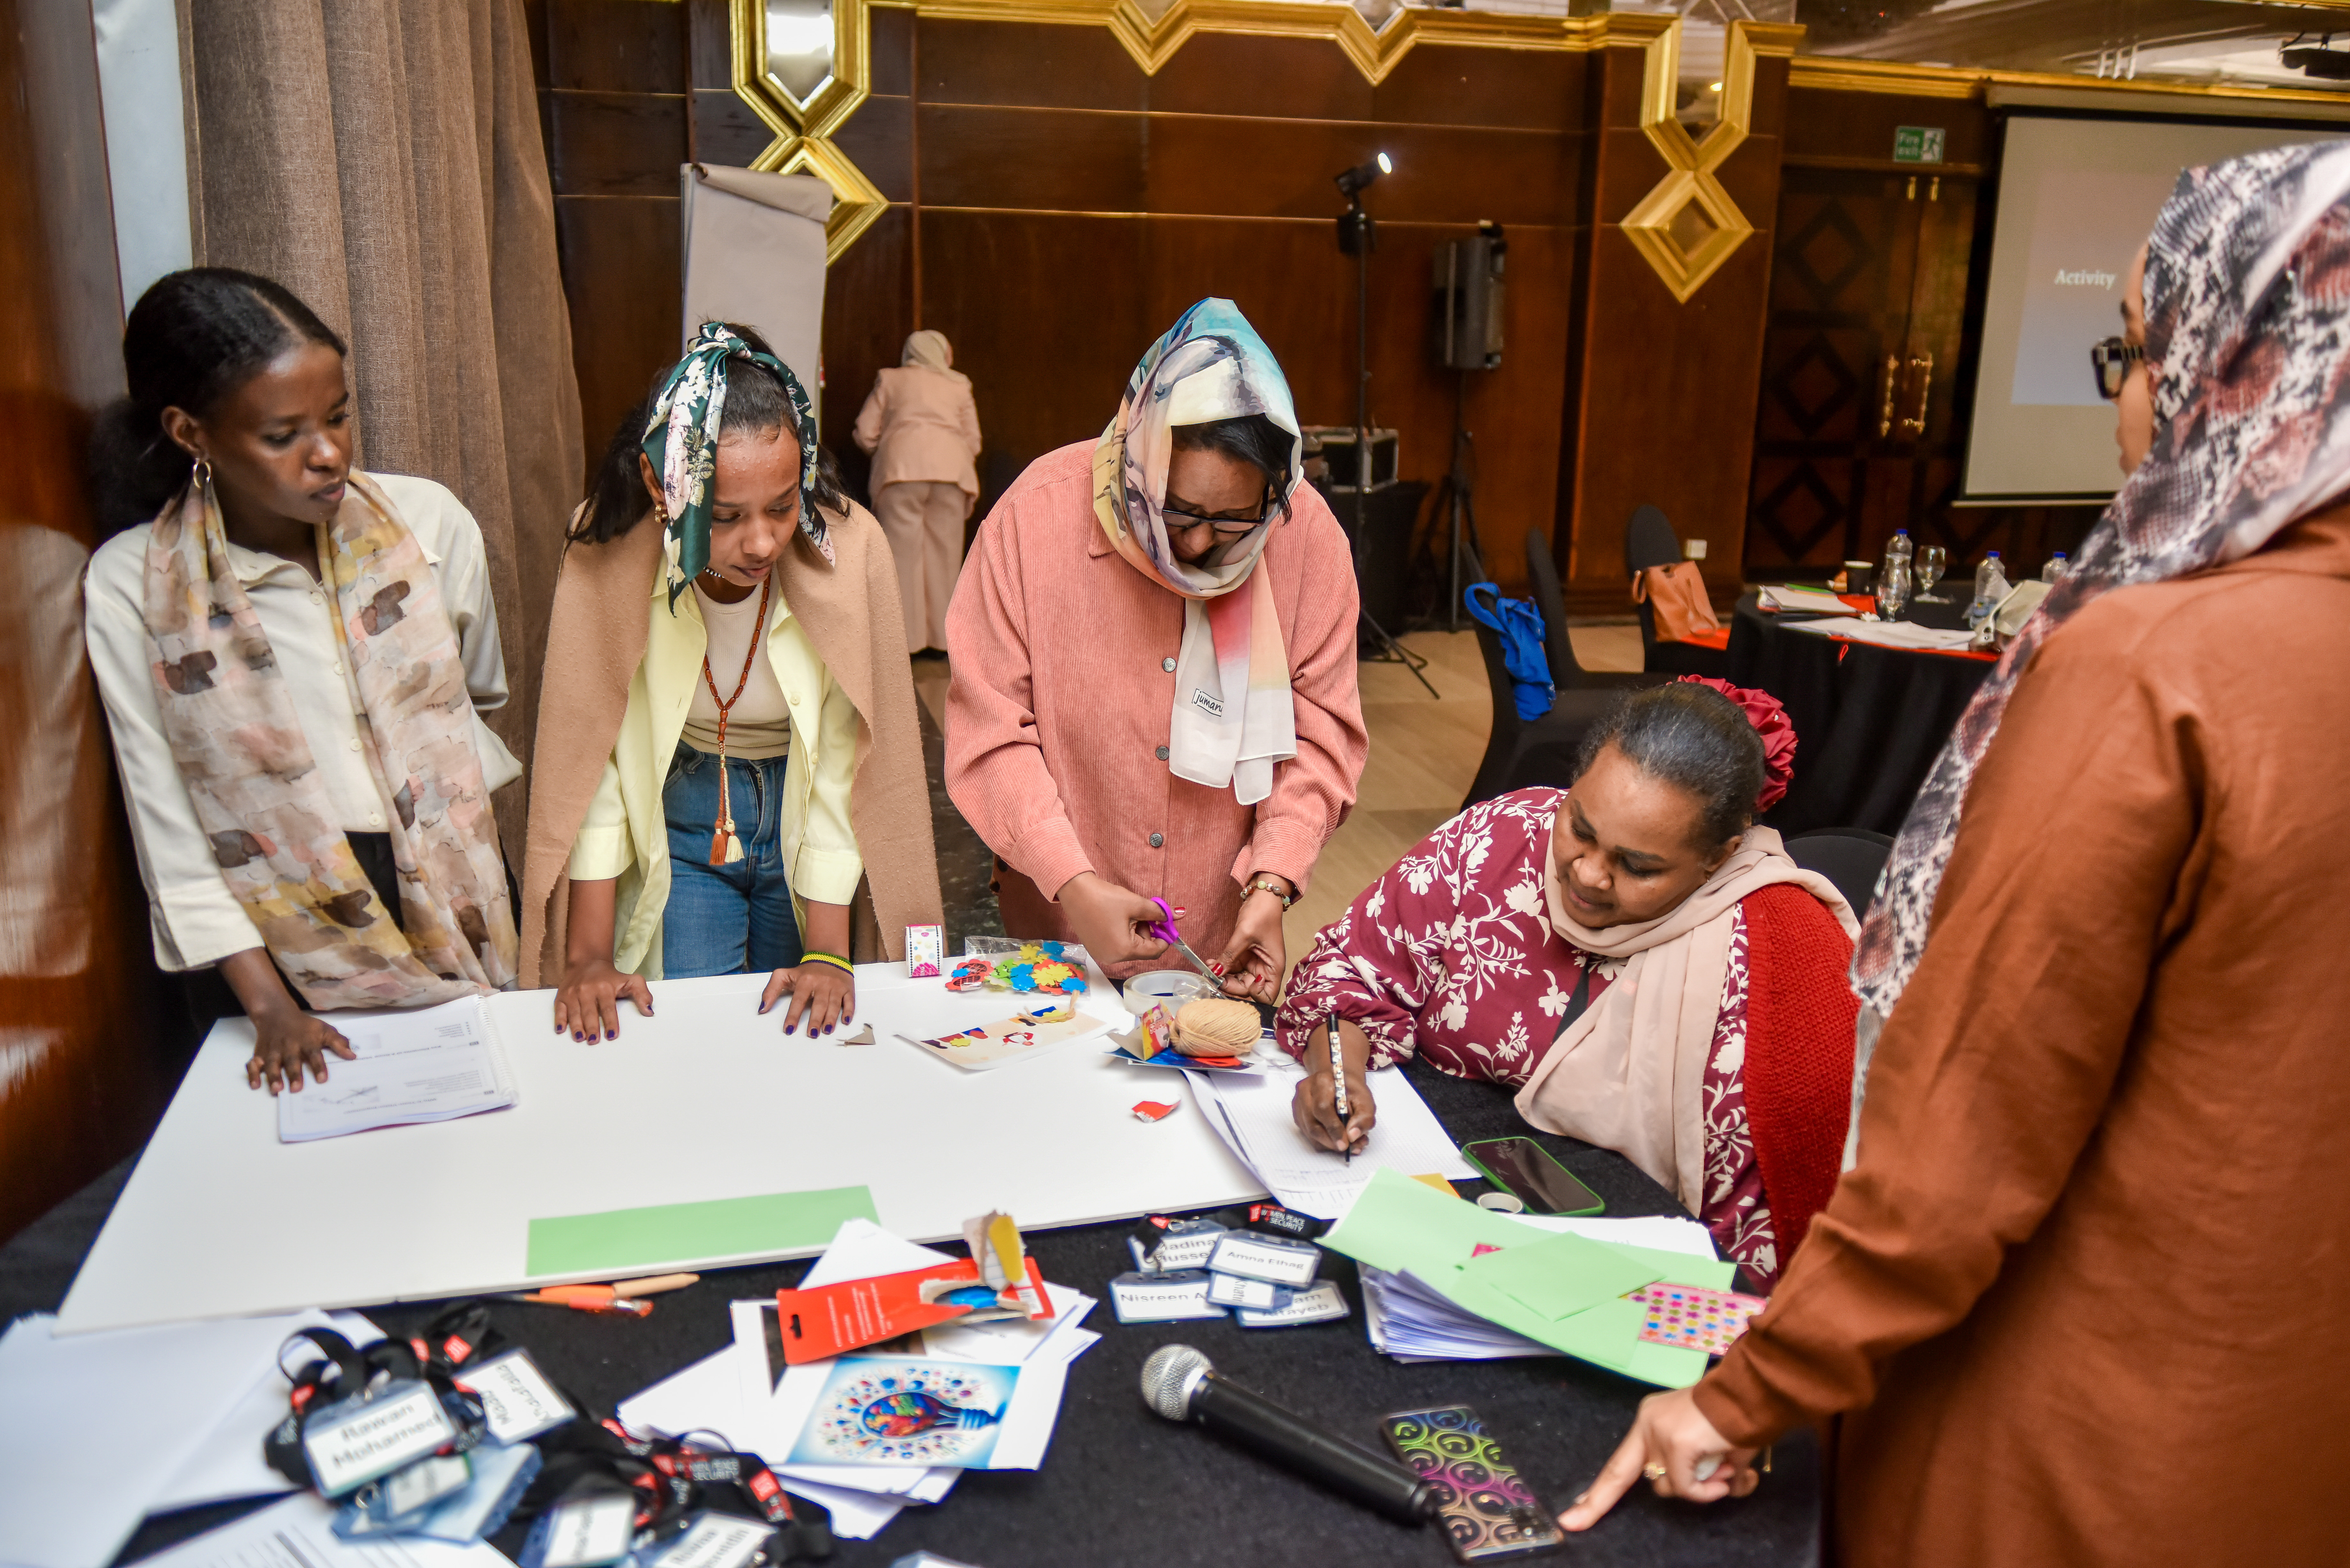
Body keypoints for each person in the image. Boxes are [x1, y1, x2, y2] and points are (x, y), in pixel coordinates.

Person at [1558, 145, 2350, 1565]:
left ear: (2229, 364)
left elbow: (1972, 1129)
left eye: (2134, 344)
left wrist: (1745, 1395)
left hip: (2087, 1442)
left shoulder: (2154, 665)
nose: (2121, 394)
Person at [82, 268, 521, 1094]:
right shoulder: (132, 585)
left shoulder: (428, 522)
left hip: (454, 875)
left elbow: (480, 700)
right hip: (269, 930)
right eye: (282, 435)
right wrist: (269, 1007)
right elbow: (167, 825)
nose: (328, 454)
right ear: (191, 433)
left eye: (338, 416)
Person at [1278, 679, 1857, 1286]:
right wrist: (1335, 1073)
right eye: (1580, 827)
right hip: (1429, 1211)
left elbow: (1775, 1225)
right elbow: (1349, 972)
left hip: (1630, 1274)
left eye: (1638, 866)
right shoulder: (1502, 838)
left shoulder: (1781, 955)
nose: (1587, 874)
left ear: (1720, 855)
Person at [521, 323, 941, 1043]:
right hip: (681, 809)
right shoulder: (605, 549)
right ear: (662, 489)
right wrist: (587, 955)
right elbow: (592, 758)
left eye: (782, 505)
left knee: (807, 1036)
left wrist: (827, 952)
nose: (762, 542)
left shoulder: (852, 547)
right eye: (723, 517)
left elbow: (848, 762)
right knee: (692, 1037)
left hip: (809, 804)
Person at [945, 298, 1367, 998]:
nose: (1199, 545)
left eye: (1234, 521)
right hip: (1055, 932)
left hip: (1216, 942)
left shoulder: (1306, 539)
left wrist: (1271, 884)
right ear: (1139, 456)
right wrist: (1073, 884)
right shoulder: (1032, 519)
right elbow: (990, 733)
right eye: (1178, 511)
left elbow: (1320, 733)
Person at [852, 330, 982, 656]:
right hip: (951, 473)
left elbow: (865, 431)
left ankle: (904, 643)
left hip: (900, 473)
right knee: (946, 556)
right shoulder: (959, 384)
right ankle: (943, 640)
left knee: (900, 557)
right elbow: (974, 440)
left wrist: (887, 451)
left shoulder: (891, 380)